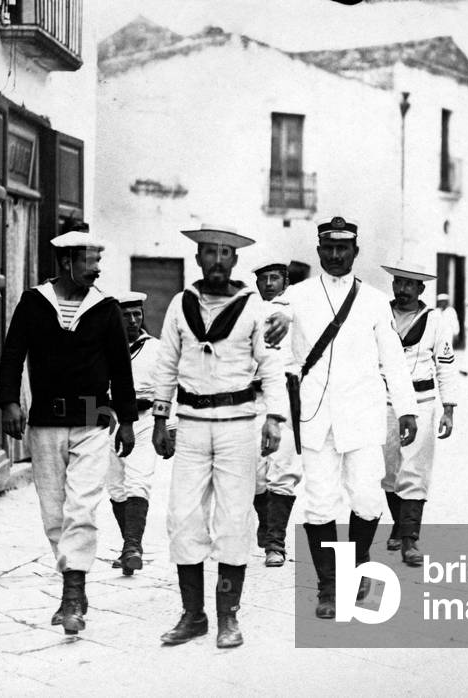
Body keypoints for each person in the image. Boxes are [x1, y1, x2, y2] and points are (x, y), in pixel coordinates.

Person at [266, 215, 418, 618]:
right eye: (328, 249)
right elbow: (272, 333)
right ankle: (329, 587)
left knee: (368, 501)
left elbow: (394, 360)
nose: (335, 255)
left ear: (355, 251)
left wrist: (406, 409)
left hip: (363, 419)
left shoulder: (372, 302)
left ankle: (358, 561)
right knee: (319, 504)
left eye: (343, 248)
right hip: (315, 419)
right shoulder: (295, 297)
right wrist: (276, 323)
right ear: (318, 252)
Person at [151, 224, 287, 649]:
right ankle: (193, 615)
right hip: (191, 425)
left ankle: (229, 616)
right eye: (209, 252)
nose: (216, 260)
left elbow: (270, 367)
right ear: (197, 258)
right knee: (183, 517)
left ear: (235, 261)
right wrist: (160, 417)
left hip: (236, 426)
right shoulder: (180, 304)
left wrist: (275, 419)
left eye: (225, 253)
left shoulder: (252, 308)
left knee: (234, 518)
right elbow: (166, 363)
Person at [0, 228, 137, 635]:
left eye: (98, 262)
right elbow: (12, 354)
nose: (96, 270)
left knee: (82, 507)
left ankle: (73, 595)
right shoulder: (32, 303)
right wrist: (9, 402)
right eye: (89, 262)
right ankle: (70, 582)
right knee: (53, 512)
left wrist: (127, 419)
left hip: (93, 421)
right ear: (66, 262)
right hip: (44, 422)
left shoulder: (106, 307)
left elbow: (120, 367)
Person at [379, 260, 460, 566]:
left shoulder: (436, 321)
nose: (402, 289)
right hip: (384, 400)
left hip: (422, 400)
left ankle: (410, 540)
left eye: (410, 284)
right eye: (399, 282)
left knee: (414, 469)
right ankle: (399, 525)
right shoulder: (379, 314)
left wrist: (448, 409)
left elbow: (446, 365)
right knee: (386, 470)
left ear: (421, 289)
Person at [104, 291, 168, 575]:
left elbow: (169, 389)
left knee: (138, 481)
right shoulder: (102, 347)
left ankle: (133, 546)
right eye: (125, 315)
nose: (132, 320)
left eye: (137, 314)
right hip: (110, 420)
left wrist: (167, 426)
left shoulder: (155, 349)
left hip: (144, 419)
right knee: (116, 487)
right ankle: (127, 544)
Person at [250, 261, 301, 567]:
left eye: (274, 278)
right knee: (254, 471)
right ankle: (266, 521)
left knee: (283, 467)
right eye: (263, 278)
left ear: (285, 281)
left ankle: (276, 542)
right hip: (254, 395)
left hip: (288, 391)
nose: (269, 283)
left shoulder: (297, 307)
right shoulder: (248, 309)